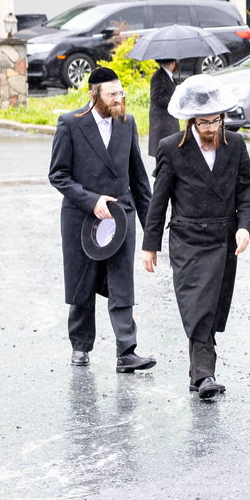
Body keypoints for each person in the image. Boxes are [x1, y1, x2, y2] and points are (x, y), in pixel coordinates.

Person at [140, 76, 250, 399]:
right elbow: (159, 199)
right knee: (198, 305)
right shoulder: (171, 148)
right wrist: (150, 245)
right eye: (204, 122)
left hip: (223, 238)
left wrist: (244, 226)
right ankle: (206, 374)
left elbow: (248, 186)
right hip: (188, 239)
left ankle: (198, 374)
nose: (210, 127)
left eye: (216, 120)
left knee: (212, 307)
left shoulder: (235, 144)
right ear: (191, 120)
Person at [48, 67, 155, 372]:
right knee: (83, 282)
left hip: (121, 216)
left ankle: (127, 351)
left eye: (121, 93)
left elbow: (139, 179)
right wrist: (92, 200)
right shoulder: (70, 123)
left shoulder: (126, 123)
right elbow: (58, 175)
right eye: (112, 94)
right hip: (82, 217)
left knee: (122, 284)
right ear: (94, 95)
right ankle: (80, 346)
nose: (118, 99)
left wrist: (151, 231)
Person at [147, 59, 179, 156]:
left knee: (170, 151)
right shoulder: (158, 76)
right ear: (172, 63)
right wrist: (173, 101)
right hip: (162, 121)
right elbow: (156, 97)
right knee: (163, 152)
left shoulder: (168, 76)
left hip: (168, 120)